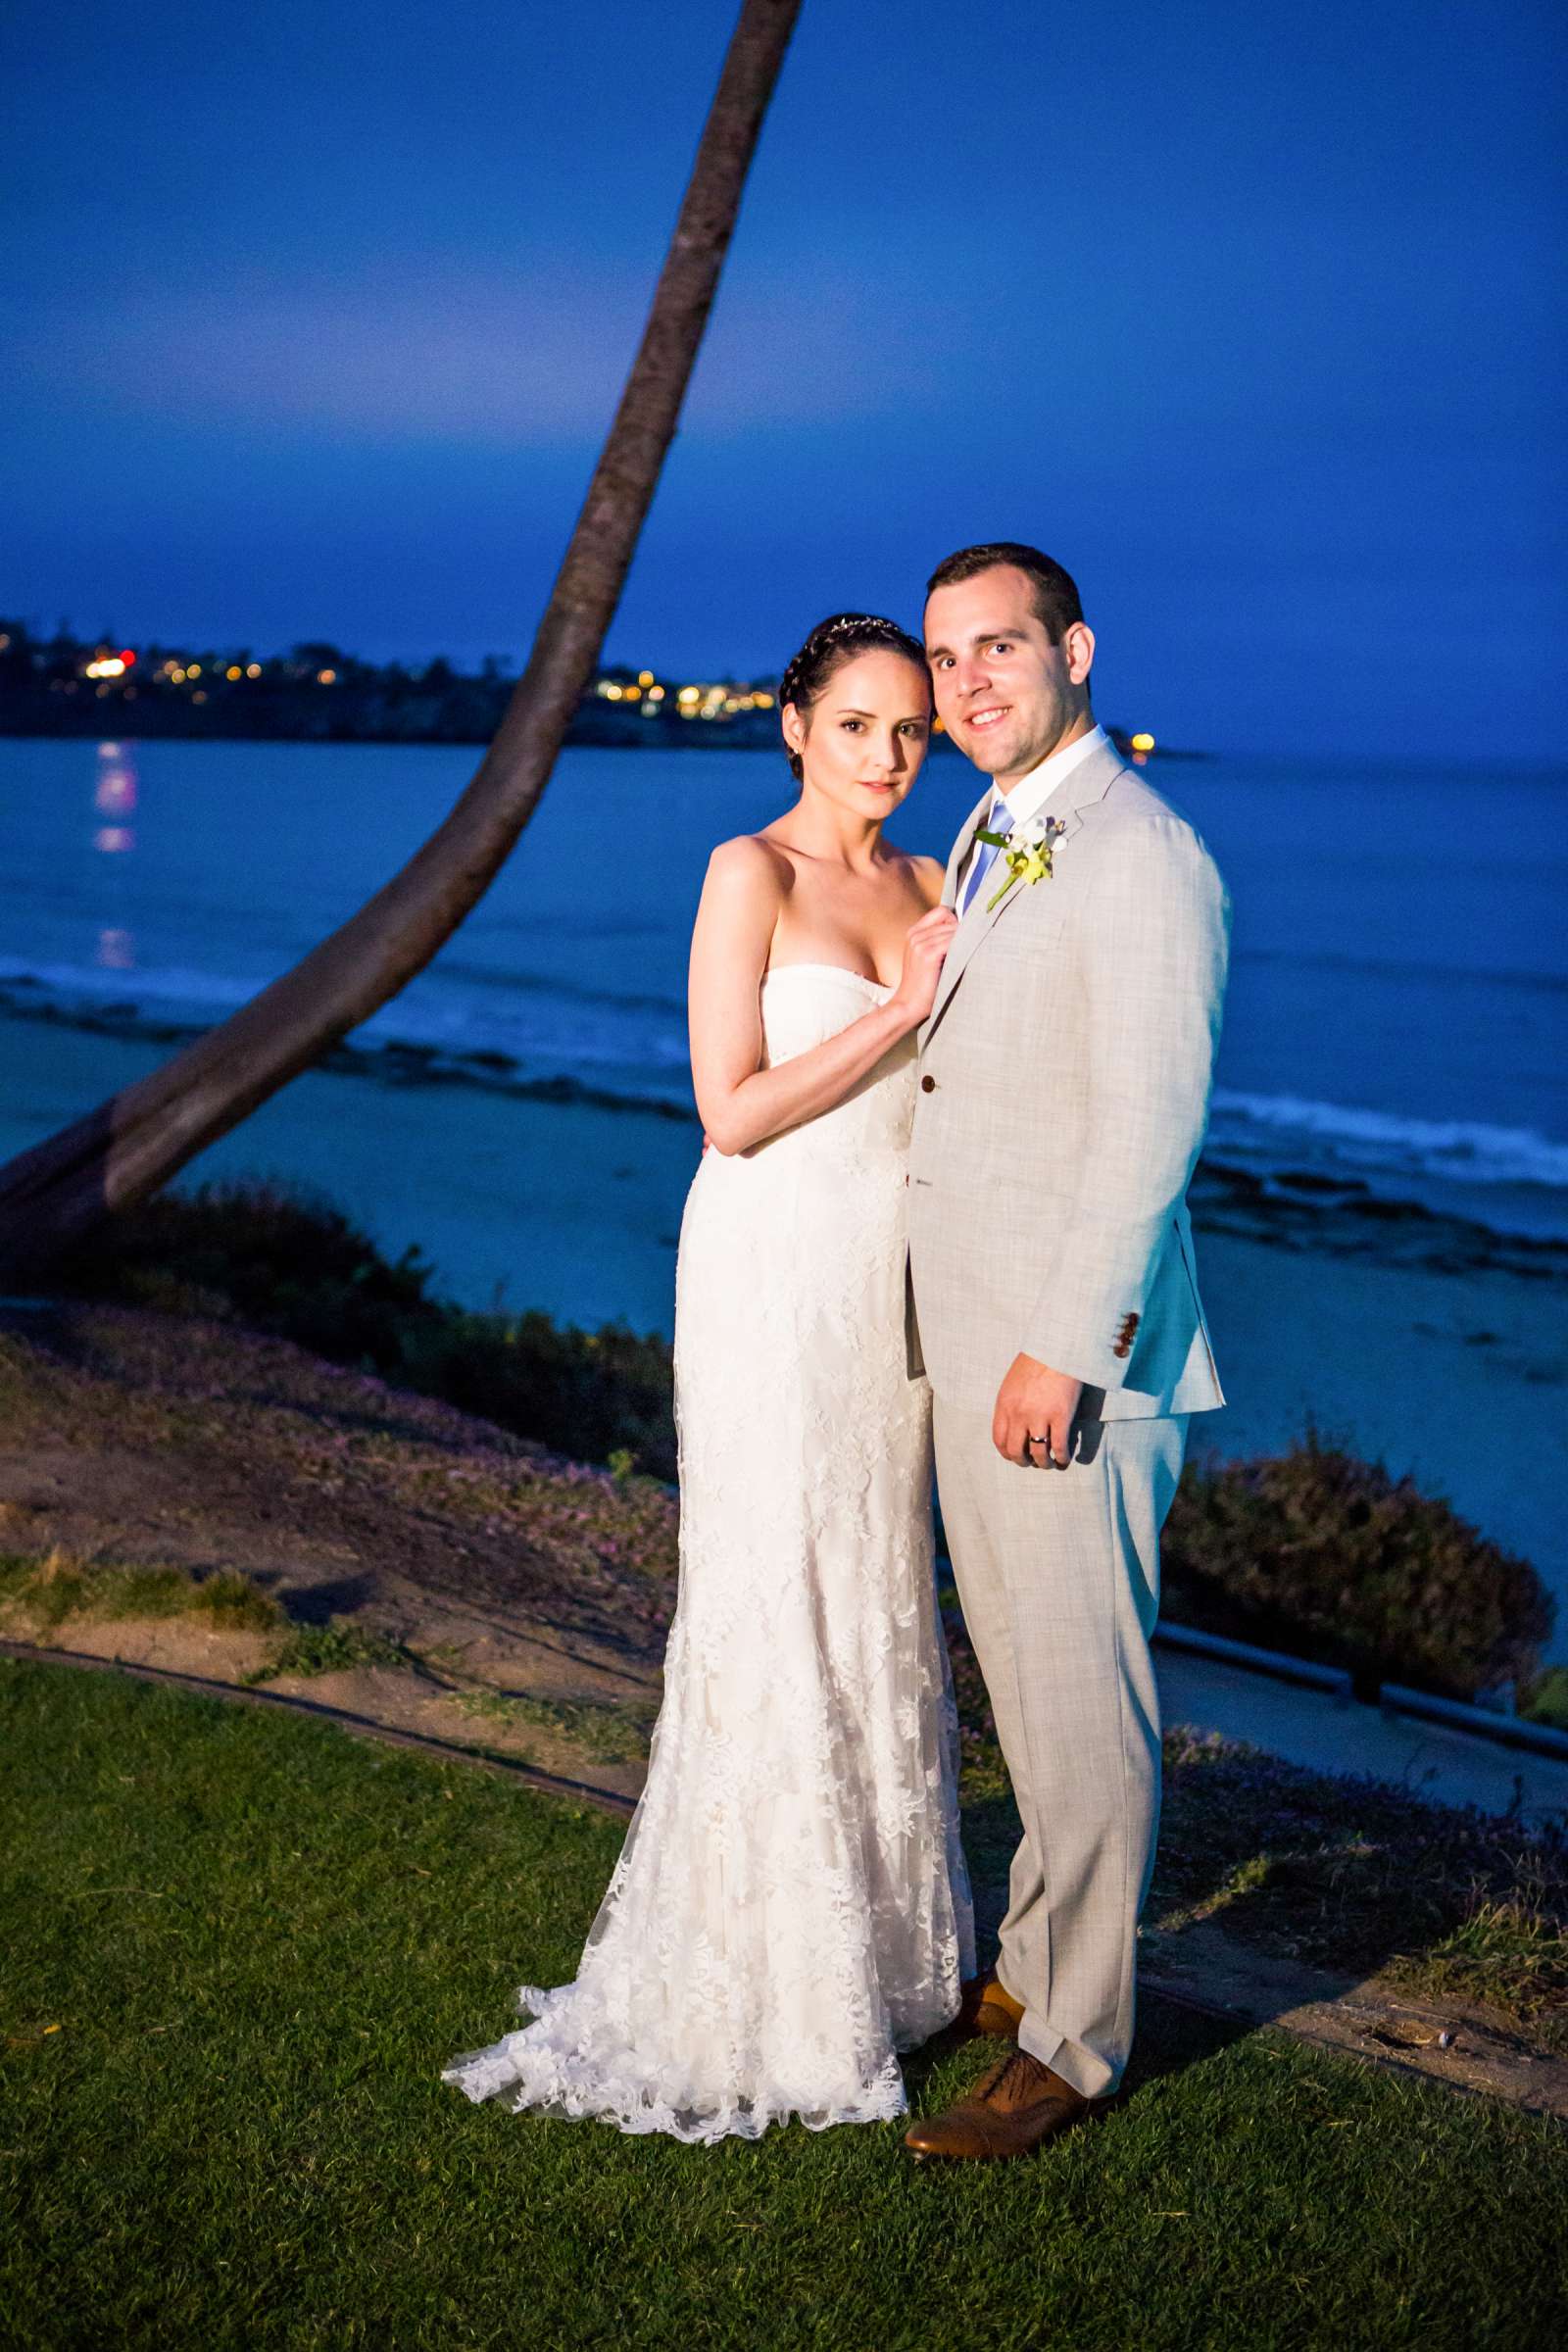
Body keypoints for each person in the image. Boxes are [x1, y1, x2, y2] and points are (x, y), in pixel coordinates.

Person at [441, 613, 974, 2141]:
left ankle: (879, 1957)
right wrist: (898, 1010)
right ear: (793, 724)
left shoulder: (939, 885)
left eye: (911, 731)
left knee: (875, 1585)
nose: (887, 755)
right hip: (767, 1271)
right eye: (859, 723)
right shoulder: (752, 871)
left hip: (889, 1293)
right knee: (773, 1590)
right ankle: (756, 1978)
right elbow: (727, 1111)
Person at [902, 542, 1230, 2162]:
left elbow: (1148, 1136)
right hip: (968, 1337)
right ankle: (1033, 1969)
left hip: (1062, 1360)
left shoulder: (1145, 855)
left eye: (1001, 647)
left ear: (1077, 650)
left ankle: (1080, 2045)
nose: (970, 680)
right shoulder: (989, 827)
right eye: (948, 655)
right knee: (1026, 1684)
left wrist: (1064, 1354)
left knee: (1083, 1694)